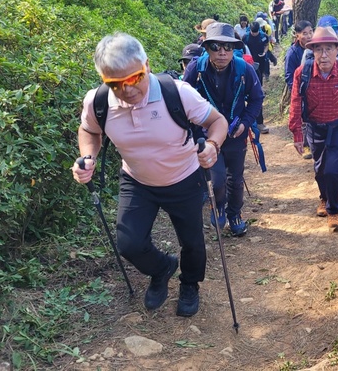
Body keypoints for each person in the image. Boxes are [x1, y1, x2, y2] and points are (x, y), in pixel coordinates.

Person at [72, 33, 228, 317]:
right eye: (115, 84)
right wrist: (88, 156)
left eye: (134, 78)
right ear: (104, 80)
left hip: (184, 177)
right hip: (137, 181)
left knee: (192, 243)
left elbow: (217, 121)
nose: (127, 90)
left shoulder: (177, 93)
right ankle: (162, 269)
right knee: (129, 244)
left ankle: (190, 284)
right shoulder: (99, 101)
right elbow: (89, 131)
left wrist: (213, 146)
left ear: (147, 65)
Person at [183, 22, 266, 236]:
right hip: (208, 135)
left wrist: (245, 122)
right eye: (216, 47)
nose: (222, 52)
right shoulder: (195, 69)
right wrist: (194, 131)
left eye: (227, 47)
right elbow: (183, 101)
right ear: (207, 47)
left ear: (234, 49)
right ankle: (218, 206)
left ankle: (235, 214)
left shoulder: (244, 69)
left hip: (235, 132)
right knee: (217, 178)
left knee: (235, 179)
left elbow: (257, 98)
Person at [289, 26, 338, 231]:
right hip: (315, 128)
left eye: (329, 49)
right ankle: (323, 197)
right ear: (313, 52)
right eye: (319, 49)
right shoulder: (303, 73)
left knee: (333, 169)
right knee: (319, 169)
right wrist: (297, 133)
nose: (324, 54)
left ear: (337, 50)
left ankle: (333, 210)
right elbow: (295, 101)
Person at [282, 20, 313, 158]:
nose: (309, 36)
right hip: (300, 91)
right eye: (304, 33)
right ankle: (305, 146)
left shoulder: (316, 47)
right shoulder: (293, 53)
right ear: (297, 36)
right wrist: (297, 91)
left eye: (311, 32)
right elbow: (289, 76)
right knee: (303, 118)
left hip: (315, 90)